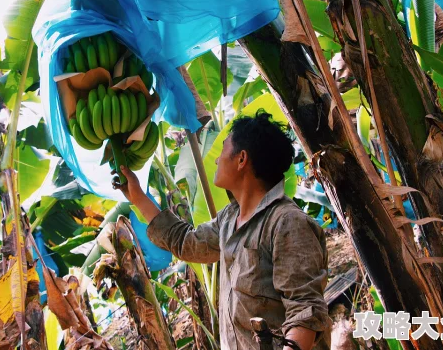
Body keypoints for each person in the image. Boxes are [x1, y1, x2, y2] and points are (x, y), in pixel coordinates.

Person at [112, 110, 332, 350]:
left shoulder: (286, 224)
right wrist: (138, 196)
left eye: (223, 150)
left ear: (241, 159)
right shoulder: (229, 219)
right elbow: (186, 242)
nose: (216, 160)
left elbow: (305, 313)